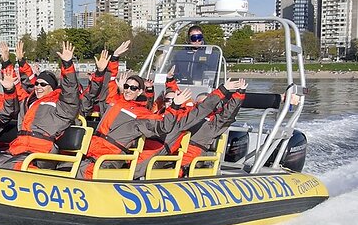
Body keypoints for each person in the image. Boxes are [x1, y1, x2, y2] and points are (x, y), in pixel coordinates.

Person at [79, 76, 244, 179]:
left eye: (173, 100)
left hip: (151, 159)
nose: (168, 102)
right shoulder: (155, 114)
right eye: (167, 100)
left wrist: (223, 90)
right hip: (130, 155)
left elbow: (203, 109)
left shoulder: (180, 121)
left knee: (130, 168)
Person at [0, 41, 81, 170]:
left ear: (52, 88)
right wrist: (6, 62)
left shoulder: (61, 105)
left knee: (14, 166)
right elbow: (12, 82)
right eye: (37, 84)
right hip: (20, 148)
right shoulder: (28, 101)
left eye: (43, 84)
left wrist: (67, 64)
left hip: (42, 152)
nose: (38, 87)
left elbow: (70, 91)